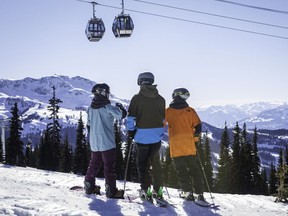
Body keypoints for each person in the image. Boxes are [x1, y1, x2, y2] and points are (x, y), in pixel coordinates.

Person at [127, 72, 166, 201]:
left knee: (142, 165)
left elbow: (131, 117)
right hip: (156, 137)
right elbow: (163, 119)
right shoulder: (161, 99)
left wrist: (131, 131)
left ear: (140, 82)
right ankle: (158, 190)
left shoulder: (136, 98)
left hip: (142, 137)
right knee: (156, 164)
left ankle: (145, 190)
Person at [84, 83, 127, 199]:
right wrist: (121, 107)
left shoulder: (90, 109)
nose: (108, 95)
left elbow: (88, 125)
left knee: (94, 164)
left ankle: (89, 185)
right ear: (103, 93)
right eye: (107, 93)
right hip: (107, 142)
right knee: (109, 167)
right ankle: (111, 190)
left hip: (94, 142)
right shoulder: (107, 107)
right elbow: (121, 115)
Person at [164, 87, 205, 202]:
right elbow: (198, 127)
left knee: (181, 170)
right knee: (194, 169)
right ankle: (199, 193)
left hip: (176, 147)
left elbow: (160, 125)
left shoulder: (168, 111)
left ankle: (187, 192)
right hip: (189, 145)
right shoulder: (190, 110)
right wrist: (195, 141)